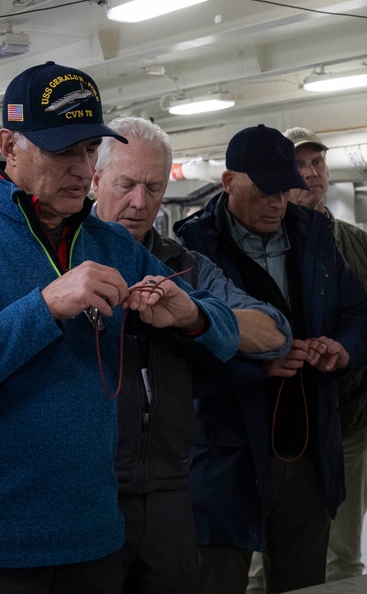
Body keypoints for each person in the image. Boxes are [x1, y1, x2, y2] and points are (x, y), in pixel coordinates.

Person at [0, 62, 240, 594]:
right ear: (10, 144)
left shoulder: (113, 245)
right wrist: (44, 307)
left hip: (93, 546)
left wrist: (188, 315)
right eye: (62, 151)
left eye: (88, 150)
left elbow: (227, 332)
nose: (81, 168)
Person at [92, 116, 293, 594]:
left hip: (169, 491)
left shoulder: (185, 267)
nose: (140, 203)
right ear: (95, 179)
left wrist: (194, 318)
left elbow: (274, 331)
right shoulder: (60, 261)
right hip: (88, 489)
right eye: (126, 185)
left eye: (154, 187)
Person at [174, 124, 367, 594]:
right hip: (227, 452)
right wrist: (257, 366)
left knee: (303, 579)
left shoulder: (316, 235)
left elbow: (358, 313)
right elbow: (184, 351)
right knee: (217, 577)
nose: (277, 203)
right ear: (228, 183)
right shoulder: (193, 248)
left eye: (285, 191)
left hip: (306, 446)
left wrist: (341, 350)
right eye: (265, 191)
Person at [284, 126, 367, 581]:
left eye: (317, 163)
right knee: (269, 558)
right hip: (281, 430)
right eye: (299, 165)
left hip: (349, 424)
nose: (310, 174)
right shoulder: (265, 240)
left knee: (343, 554)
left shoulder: (360, 245)